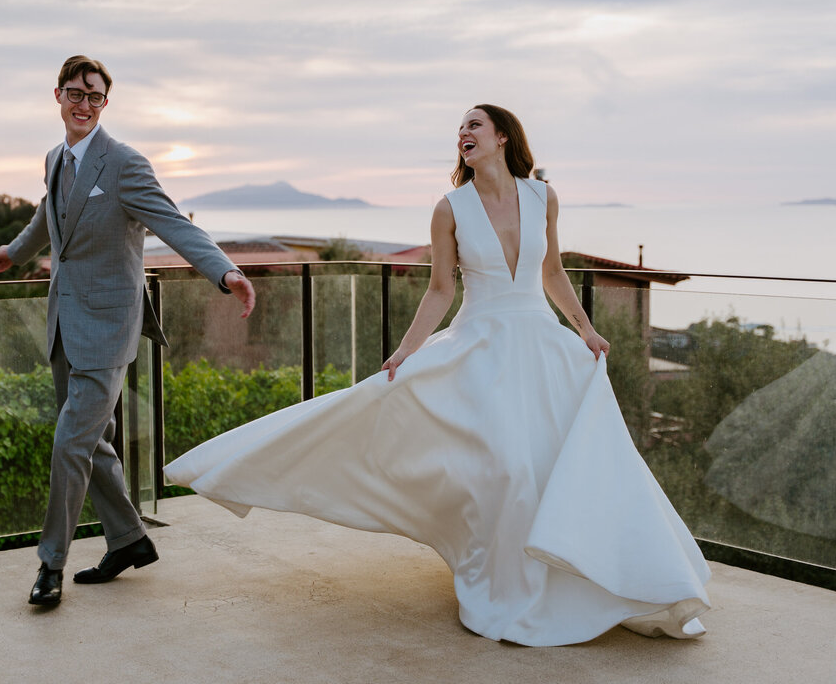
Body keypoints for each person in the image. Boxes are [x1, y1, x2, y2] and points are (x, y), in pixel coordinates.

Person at [165, 104, 710, 646]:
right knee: (507, 469)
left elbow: (552, 273)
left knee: (553, 464)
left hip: (544, 347)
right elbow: (440, 290)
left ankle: (583, 574)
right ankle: (510, 587)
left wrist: (586, 331)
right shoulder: (451, 208)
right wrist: (404, 352)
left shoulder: (544, 196)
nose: (463, 134)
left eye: (474, 125)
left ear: (502, 137)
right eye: (460, 129)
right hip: (481, 348)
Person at [0, 55, 255, 606]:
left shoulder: (125, 164)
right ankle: (130, 539)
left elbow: (174, 222)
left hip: (108, 330)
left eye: (95, 96)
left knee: (69, 443)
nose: (84, 104)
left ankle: (49, 565)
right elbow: (49, 215)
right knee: (94, 442)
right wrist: (14, 252)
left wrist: (224, 272)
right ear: (56, 96)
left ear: (105, 104)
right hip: (64, 320)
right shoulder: (56, 158)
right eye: (75, 94)